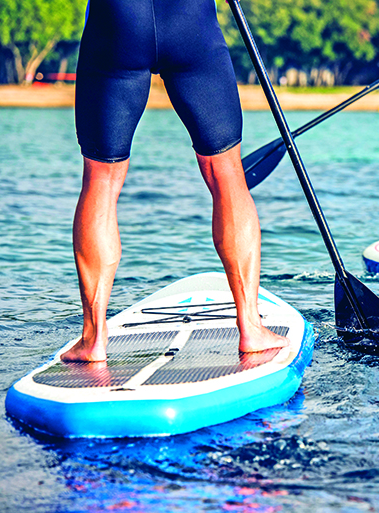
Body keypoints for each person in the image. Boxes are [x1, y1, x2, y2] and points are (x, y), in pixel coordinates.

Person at [61, 0, 288, 362]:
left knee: (100, 181)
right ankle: (250, 326)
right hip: (190, 23)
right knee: (227, 175)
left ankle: (93, 338)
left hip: (116, 23)